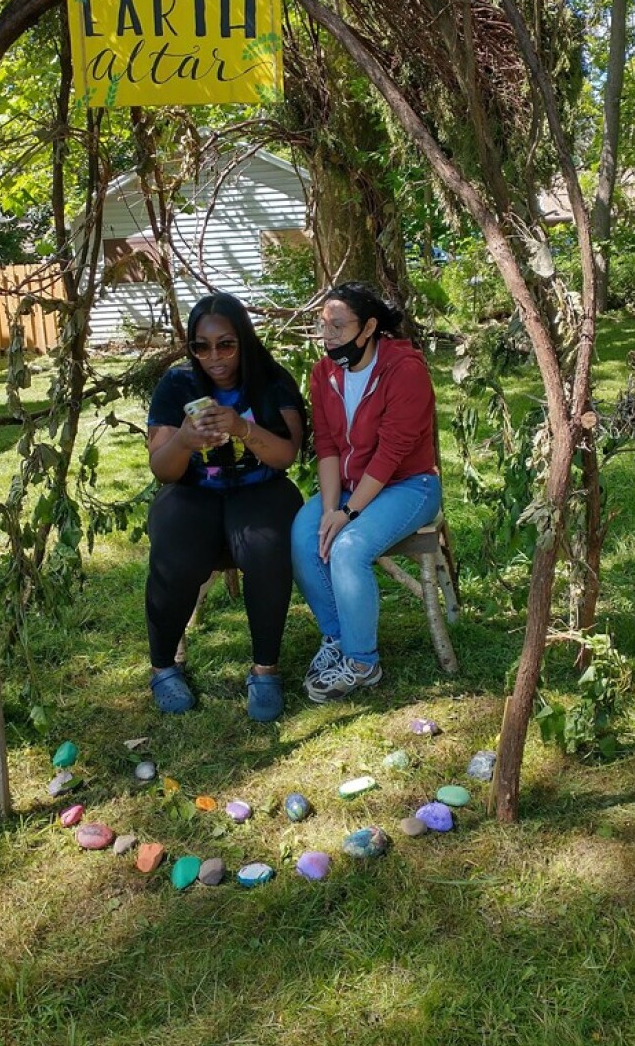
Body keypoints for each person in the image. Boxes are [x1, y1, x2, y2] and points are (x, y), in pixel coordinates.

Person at [145, 292, 306, 722]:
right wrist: (183, 440)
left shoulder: (271, 380)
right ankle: (163, 668)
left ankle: (265, 670)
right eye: (201, 346)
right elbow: (162, 468)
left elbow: (287, 454)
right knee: (175, 551)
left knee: (267, 548)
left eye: (225, 344)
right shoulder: (178, 383)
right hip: (192, 489)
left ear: (243, 340)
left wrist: (240, 427)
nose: (213, 357)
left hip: (261, 488)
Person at [291, 281, 442, 702]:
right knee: (304, 537)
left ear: (370, 326)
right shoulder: (324, 374)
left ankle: (362, 662)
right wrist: (328, 507)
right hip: (350, 485)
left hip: (409, 485)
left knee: (348, 547)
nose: (329, 336)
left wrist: (348, 514)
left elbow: (392, 454)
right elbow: (326, 446)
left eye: (338, 326)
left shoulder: (404, 368)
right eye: (323, 326)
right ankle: (338, 639)